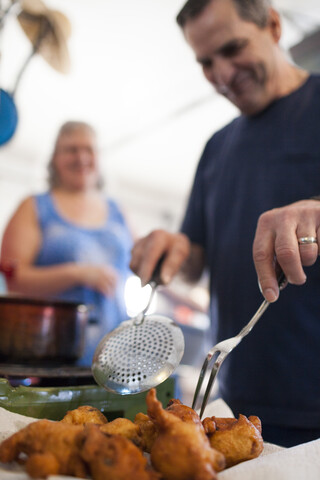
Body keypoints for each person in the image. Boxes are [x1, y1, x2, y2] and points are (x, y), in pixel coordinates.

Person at [130, 0, 320, 447]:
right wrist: (171, 248)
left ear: (273, 25)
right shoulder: (217, 148)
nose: (222, 73)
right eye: (205, 62)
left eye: (233, 49)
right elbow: (195, 258)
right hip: (233, 406)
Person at [1, 121, 133, 366]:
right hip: (50, 353)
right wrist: (77, 273)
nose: (81, 157)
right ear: (55, 158)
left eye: (88, 149)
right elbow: (14, 280)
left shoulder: (117, 211)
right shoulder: (34, 207)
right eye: (71, 150)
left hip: (116, 355)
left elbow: (144, 268)